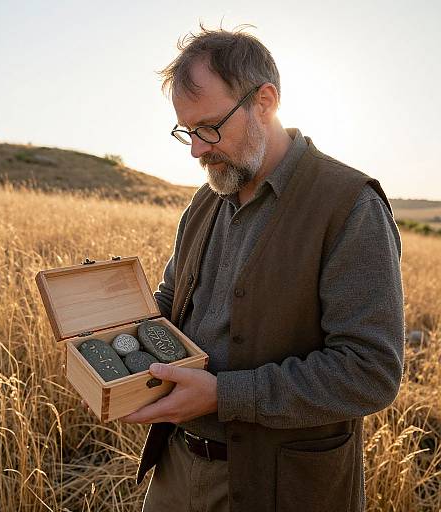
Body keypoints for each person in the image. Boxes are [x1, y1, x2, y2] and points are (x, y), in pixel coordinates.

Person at [119, 25, 405, 512]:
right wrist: (111, 346)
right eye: (187, 132)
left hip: (285, 486)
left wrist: (225, 396)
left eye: (209, 128)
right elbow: (171, 304)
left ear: (265, 101)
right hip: (176, 468)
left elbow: (370, 372)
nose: (197, 150)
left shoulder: (349, 205)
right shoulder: (206, 200)